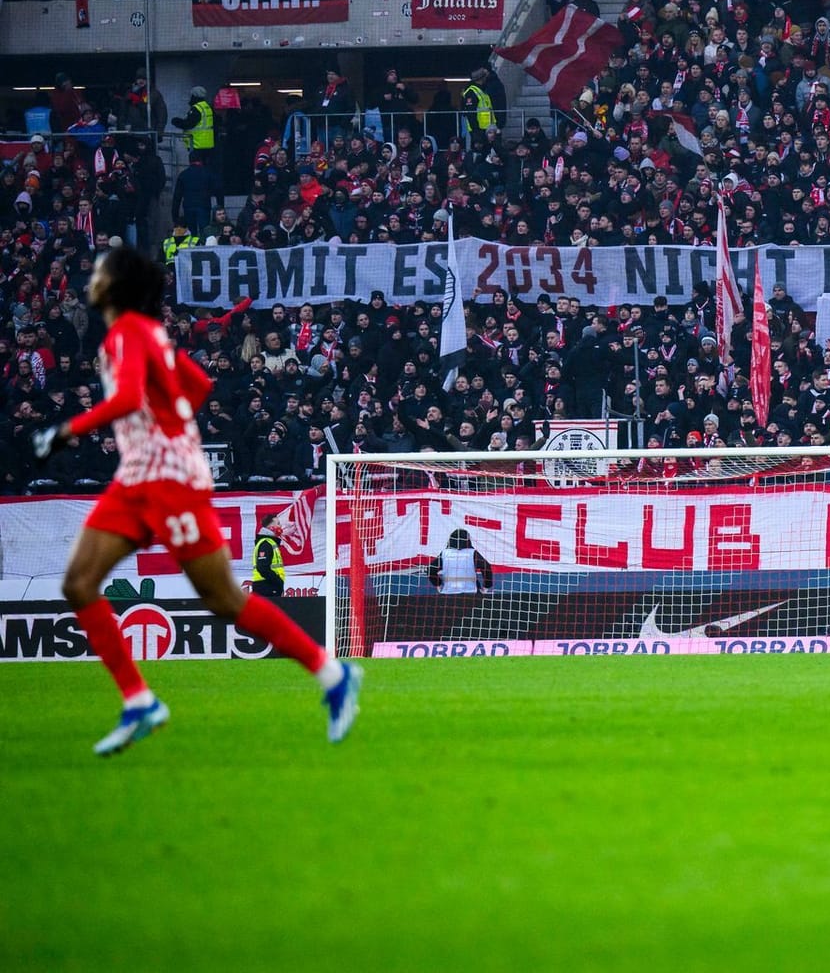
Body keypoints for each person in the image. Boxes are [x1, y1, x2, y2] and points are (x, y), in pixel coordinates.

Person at [32, 246, 362, 755]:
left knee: (224, 599)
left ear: (116, 286)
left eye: (99, 272)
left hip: (169, 480)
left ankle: (333, 673)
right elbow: (198, 384)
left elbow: (125, 400)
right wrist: (172, 419)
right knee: (79, 583)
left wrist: (66, 430)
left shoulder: (129, 334)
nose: (92, 278)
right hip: (137, 476)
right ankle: (139, 701)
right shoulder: (147, 334)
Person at [429, 528, 496, 594]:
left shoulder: (444, 553)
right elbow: (486, 567)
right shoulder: (472, 553)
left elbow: (431, 569)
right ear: (467, 540)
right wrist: (486, 586)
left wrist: (438, 584)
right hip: (471, 592)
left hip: (448, 592)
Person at [251, 515, 286, 598]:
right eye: (278, 523)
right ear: (271, 527)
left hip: (269, 585)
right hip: (266, 586)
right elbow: (262, 568)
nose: (280, 526)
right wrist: (278, 581)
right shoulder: (266, 543)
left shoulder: (271, 542)